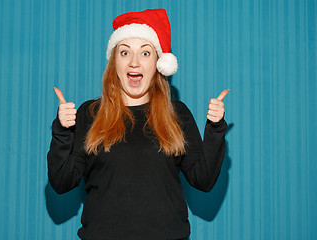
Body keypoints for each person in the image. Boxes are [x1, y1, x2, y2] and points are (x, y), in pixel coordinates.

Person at [47, 9, 229, 240]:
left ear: (158, 63)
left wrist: (215, 129)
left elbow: (203, 180)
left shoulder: (177, 114)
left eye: (145, 53)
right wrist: (63, 131)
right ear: (114, 62)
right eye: (125, 53)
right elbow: (61, 182)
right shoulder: (90, 114)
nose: (134, 62)